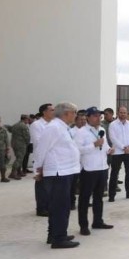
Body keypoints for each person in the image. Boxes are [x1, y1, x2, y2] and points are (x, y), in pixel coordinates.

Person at [33, 102, 81, 249]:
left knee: (60, 206)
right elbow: (41, 149)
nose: (75, 115)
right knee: (60, 206)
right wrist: (37, 169)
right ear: (66, 113)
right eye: (74, 112)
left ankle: (55, 234)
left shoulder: (62, 127)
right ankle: (58, 239)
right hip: (58, 172)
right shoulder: (53, 127)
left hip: (66, 170)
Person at [74, 107, 114, 235]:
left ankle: (97, 221)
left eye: (100, 116)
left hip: (102, 167)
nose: (99, 118)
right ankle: (83, 225)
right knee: (85, 198)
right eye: (96, 116)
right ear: (88, 117)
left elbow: (105, 144)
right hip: (89, 169)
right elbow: (78, 150)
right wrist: (94, 145)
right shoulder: (81, 132)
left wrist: (109, 150)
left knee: (99, 197)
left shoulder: (102, 130)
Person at [108, 106, 129, 202]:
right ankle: (111, 195)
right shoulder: (113, 124)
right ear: (118, 113)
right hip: (117, 153)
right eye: (121, 112)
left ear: (127, 113)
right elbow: (113, 138)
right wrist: (123, 147)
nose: (123, 114)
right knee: (114, 174)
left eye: (124, 112)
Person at [29, 104, 54, 217]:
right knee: (42, 184)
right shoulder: (36, 125)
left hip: (52, 158)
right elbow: (38, 142)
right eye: (51, 110)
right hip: (41, 158)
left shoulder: (53, 124)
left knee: (50, 184)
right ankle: (41, 208)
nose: (54, 112)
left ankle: (49, 206)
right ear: (44, 112)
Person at [9, 114, 30, 179]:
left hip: (14, 143)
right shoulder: (24, 126)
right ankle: (13, 173)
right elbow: (27, 136)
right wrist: (27, 143)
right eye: (28, 119)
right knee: (19, 158)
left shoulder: (15, 125)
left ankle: (19, 171)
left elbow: (10, 130)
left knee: (19, 157)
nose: (28, 121)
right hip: (21, 144)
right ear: (25, 119)